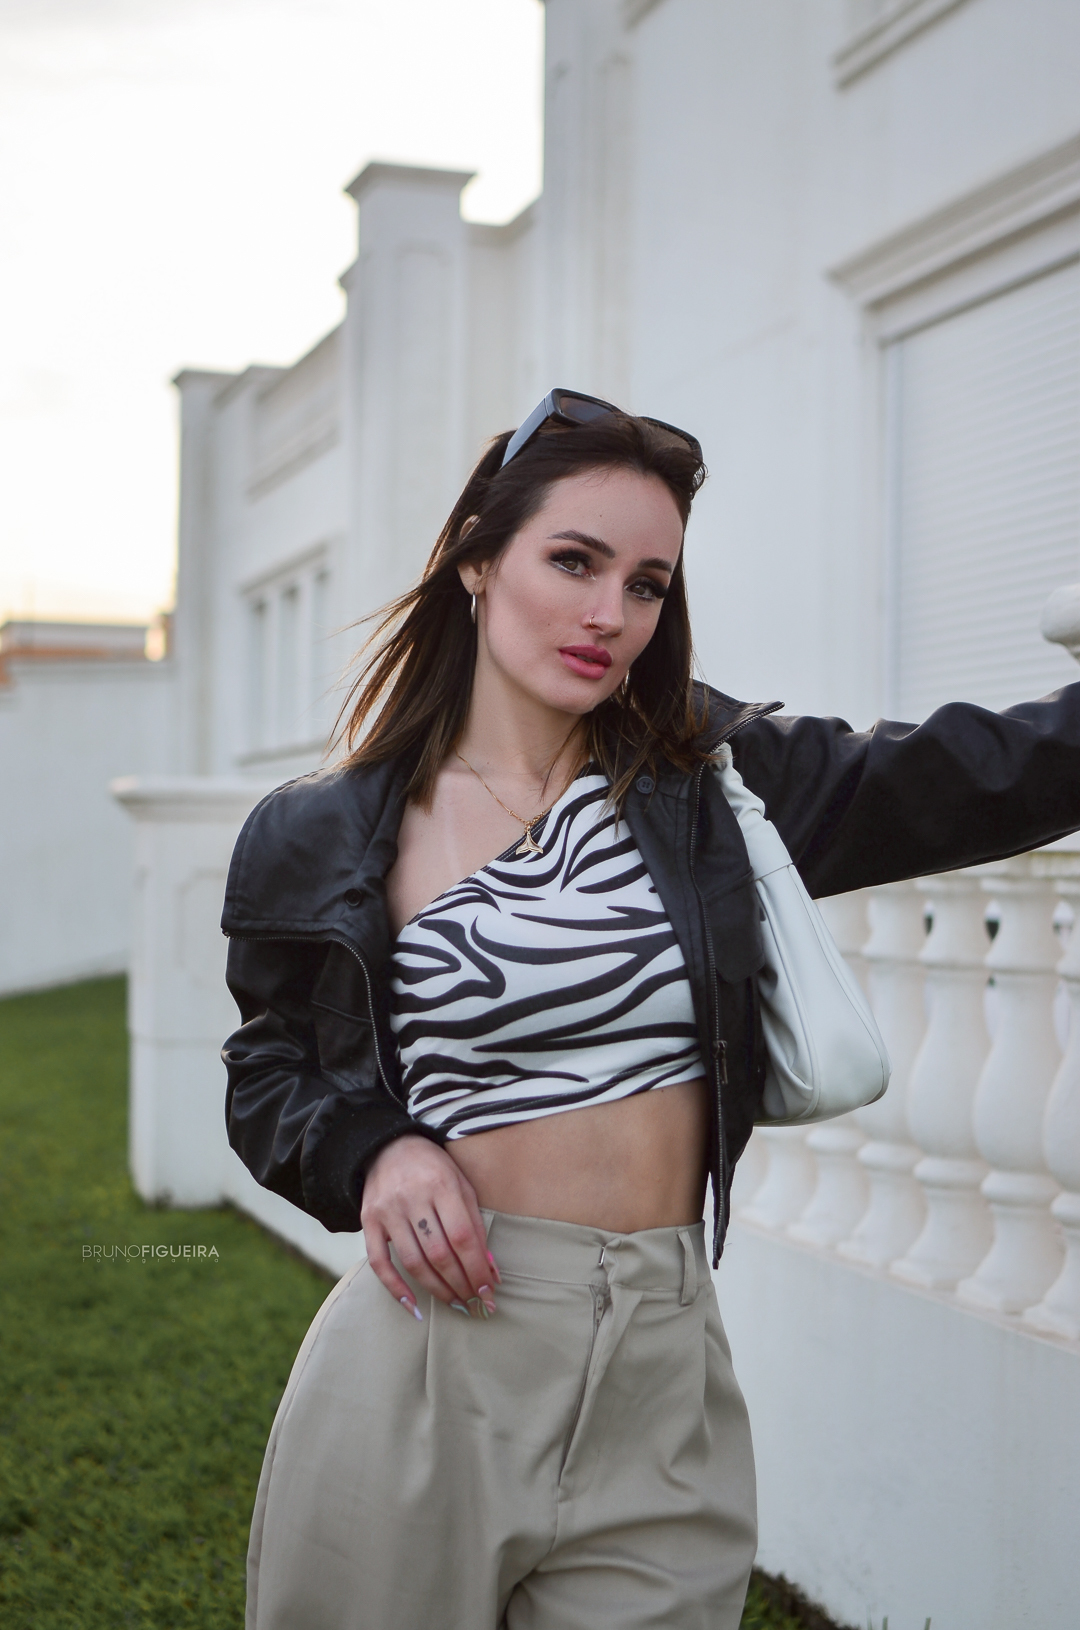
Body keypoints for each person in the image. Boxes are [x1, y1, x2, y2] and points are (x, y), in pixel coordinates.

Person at [221, 390, 1080, 1630]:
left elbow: (962, 775)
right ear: (477, 559)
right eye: (573, 561)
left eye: (647, 584)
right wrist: (376, 1150)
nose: (609, 615)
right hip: (434, 1354)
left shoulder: (704, 782)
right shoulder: (326, 830)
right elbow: (270, 1070)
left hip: (665, 1366)